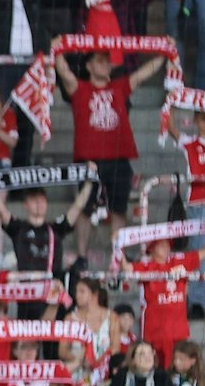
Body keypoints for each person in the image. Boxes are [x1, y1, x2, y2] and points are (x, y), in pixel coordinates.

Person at [55, 49, 165, 256]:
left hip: (118, 158)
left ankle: (118, 257)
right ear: (89, 66)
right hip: (89, 161)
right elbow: (62, 70)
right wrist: (57, 48)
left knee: (119, 209)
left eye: (108, 61)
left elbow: (142, 74)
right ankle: (82, 257)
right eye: (100, 60)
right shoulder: (79, 88)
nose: (106, 64)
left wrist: (165, 53)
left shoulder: (119, 86)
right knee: (85, 209)